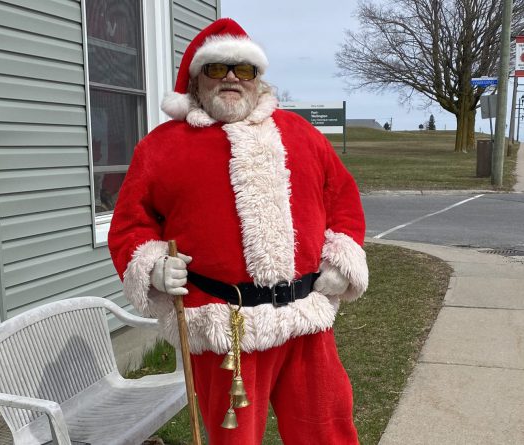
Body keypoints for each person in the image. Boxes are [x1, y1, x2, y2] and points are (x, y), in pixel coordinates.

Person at [108, 18, 368, 445]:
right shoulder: (161, 147)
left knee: (328, 430)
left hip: (306, 319)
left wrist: (342, 258)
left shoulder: (302, 136)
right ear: (197, 79)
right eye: (217, 69)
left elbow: (343, 200)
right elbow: (130, 222)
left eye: (242, 70)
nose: (230, 78)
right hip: (222, 326)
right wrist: (152, 266)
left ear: (257, 80)